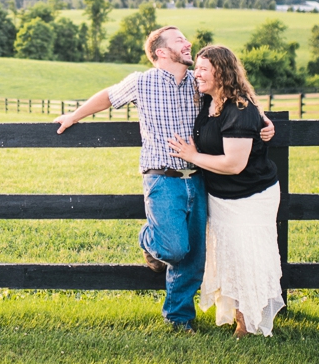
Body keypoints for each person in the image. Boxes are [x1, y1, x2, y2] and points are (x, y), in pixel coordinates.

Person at [54, 27, 274, 332]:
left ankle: (179, 317)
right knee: (172, 249)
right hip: (162, 177)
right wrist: (73, 117)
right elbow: (106, 97)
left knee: (194, 257)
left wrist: (263, 119)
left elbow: (234, 94)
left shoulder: (198, 83)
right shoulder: (142, 82)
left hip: (198, 178)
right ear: (160, 52)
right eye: (180, 41)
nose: (188, 44)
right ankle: (149, 239)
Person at [168, 44, 284, 338]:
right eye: (197, 67)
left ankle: (248, 324)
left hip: (250, 196)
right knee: (229, 256)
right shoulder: (207, 100)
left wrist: (192, 157)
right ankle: (238, 317)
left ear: (222, 72)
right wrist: (265, 119)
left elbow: (234, 164)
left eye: (204, 69)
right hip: (220, 196)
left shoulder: (239, 107)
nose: (197, 74)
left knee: (247, 257)